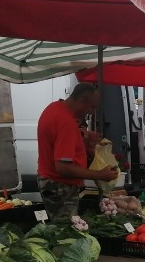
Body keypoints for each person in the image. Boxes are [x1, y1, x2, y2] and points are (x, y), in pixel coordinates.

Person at [37, 83, 118, 223]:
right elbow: (63, 167)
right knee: (66, 231)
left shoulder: (54, 108)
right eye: (92, 107)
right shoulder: (66, 122)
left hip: (51, 182)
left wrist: (83, 141)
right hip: (60, 186)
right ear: (82, 100)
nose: (92, 112)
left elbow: (57, 145)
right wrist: (99, 175)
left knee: (60, 228)